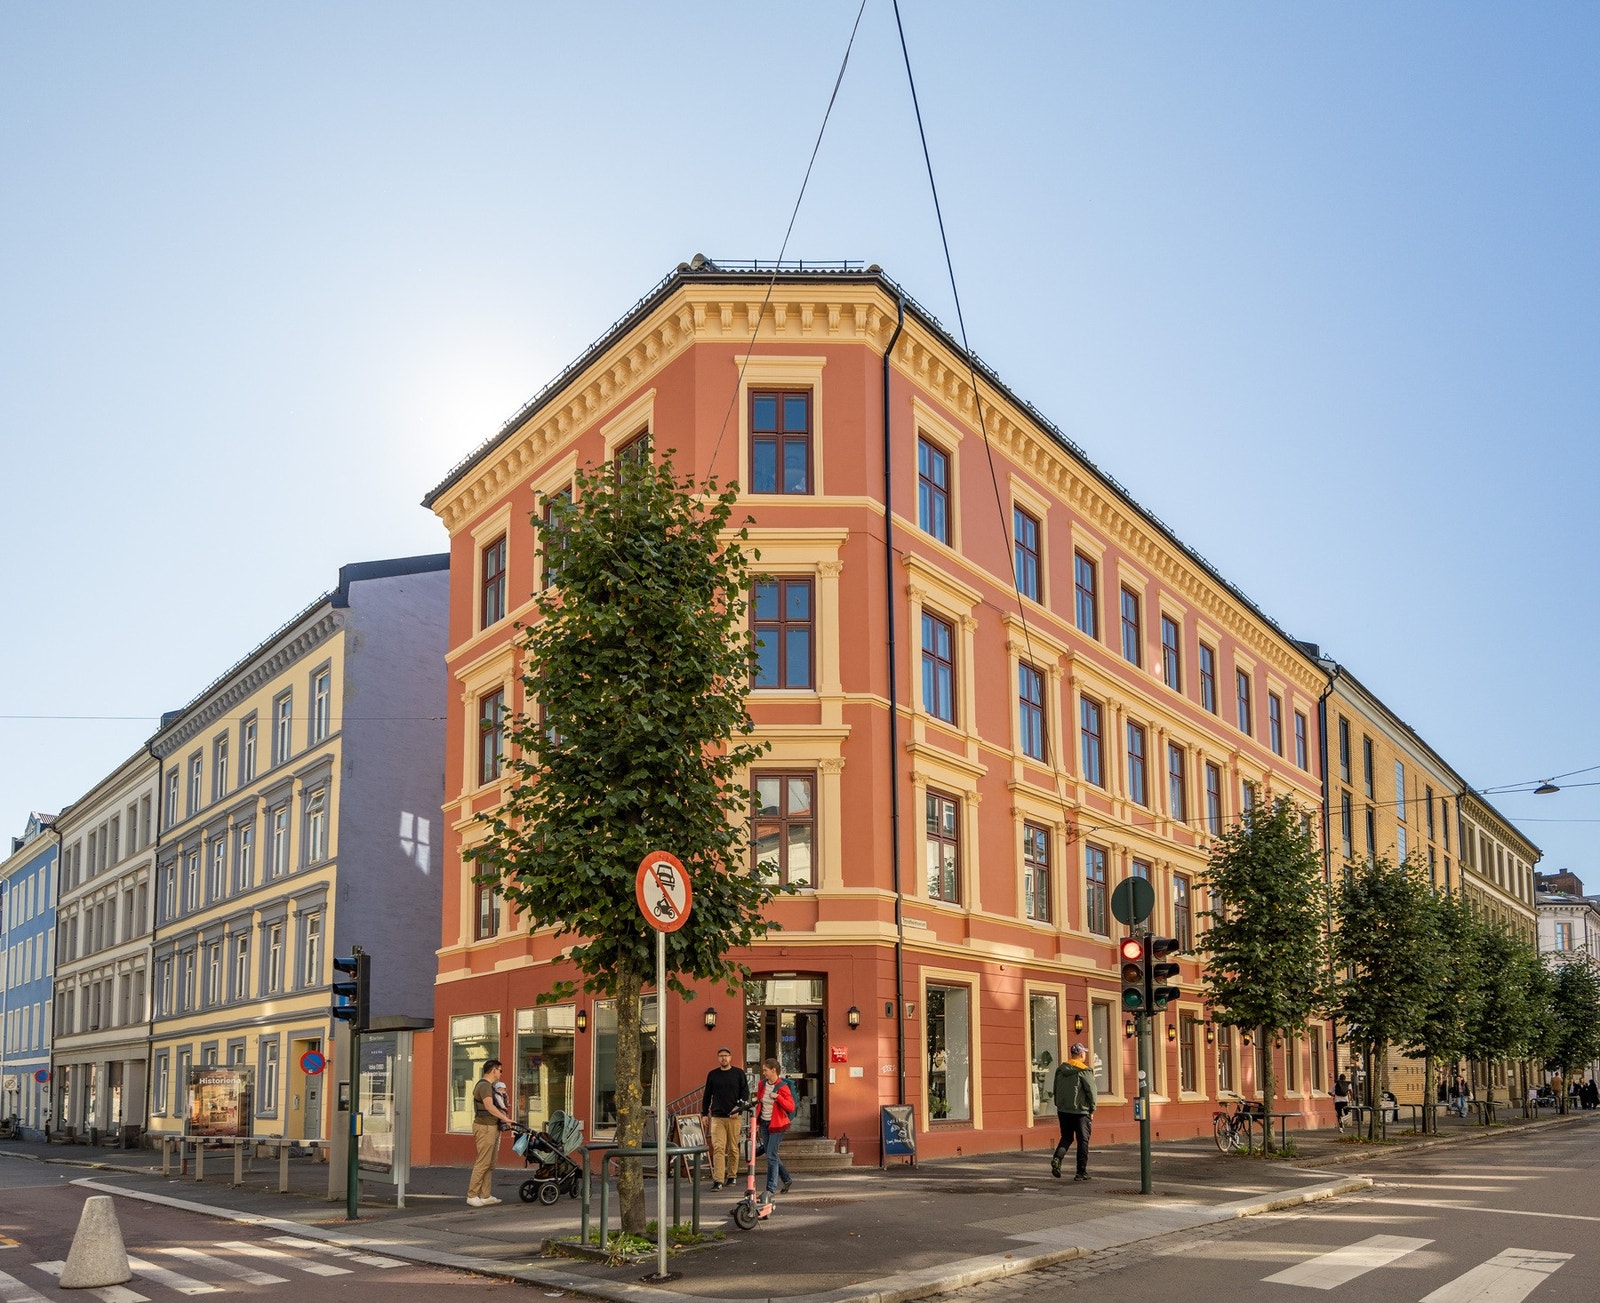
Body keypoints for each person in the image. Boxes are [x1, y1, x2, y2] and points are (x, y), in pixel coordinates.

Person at [701, 1047, 750, 1190]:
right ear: (718, 1058)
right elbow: (707, 1095)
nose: (724, 1058)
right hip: (717, 1117)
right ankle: (718, 1179)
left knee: (733, 1148)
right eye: (721, 1056)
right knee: (718, 1148)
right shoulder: (713, 1075)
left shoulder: (738, 1073)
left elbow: (745, 1092)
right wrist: (704, 1114)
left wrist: (738, 1108)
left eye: (726, 1056)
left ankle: (732, 1176)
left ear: (731, 1057)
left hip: (734, 1117)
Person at [467, 1059, 514, 1207]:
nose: (501, 1073)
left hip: (492, 1127)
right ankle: (472, 1195)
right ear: (494, 1070)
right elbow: (489, 1106)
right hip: (485, 1127)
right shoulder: (485, 1086)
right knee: (483, 1162)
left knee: (490, 1163)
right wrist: (506, 1119)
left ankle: (485, 1195)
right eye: (500, 1070)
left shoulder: (490, 1086)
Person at [1049, 1042, 1096, 1182]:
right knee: (1083, 1140)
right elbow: (1091, 1092)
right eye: (1084, 1053)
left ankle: (1057, 1159)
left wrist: (1058, 1104)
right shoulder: (1084, 1071)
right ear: (1081, 1054)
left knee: (1067, 1137)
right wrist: (1092, 1109)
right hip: (1081, 1112)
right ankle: (1081, 1172)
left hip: (1063, 1111)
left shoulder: (1060, 1069)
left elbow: (1055, 1088)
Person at [754, 1057, 795, 1203]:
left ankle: (770, 1189)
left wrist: (778, 1097)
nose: (763, 1072)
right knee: (772, 1154)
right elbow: (760, 1101)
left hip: (777, 1124)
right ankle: (787, 1179)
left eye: (765, 1070)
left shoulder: (782, 1086)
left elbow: (791, 1107)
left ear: (774, 1070)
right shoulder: (762, 1084)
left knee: (770, 1156)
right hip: (764, 1123)